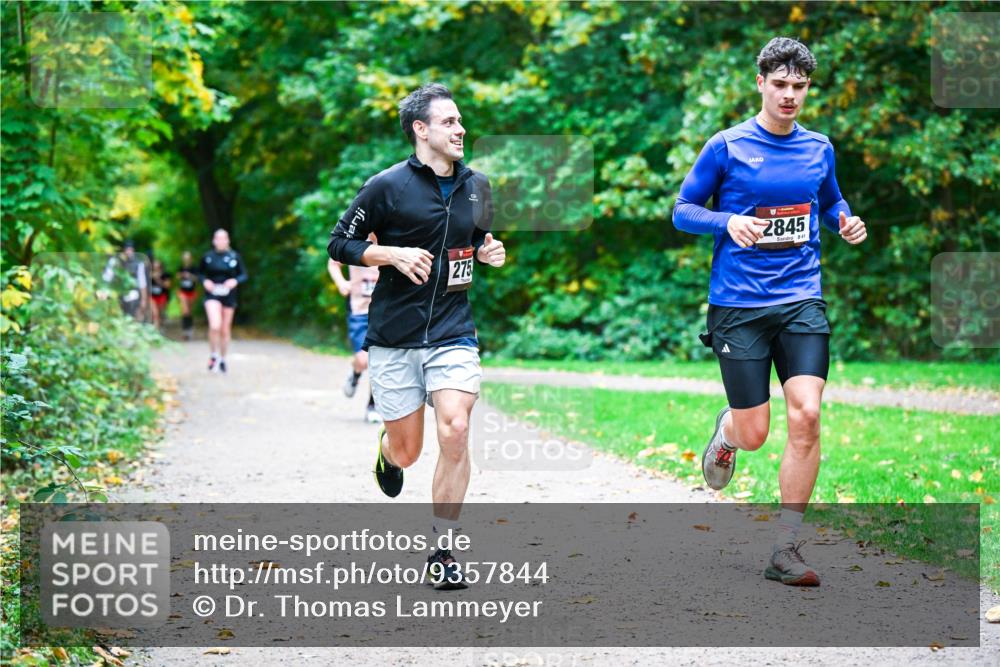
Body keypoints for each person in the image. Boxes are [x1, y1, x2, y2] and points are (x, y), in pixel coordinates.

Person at [672, 37, 867, 587]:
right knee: (756, 432)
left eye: (799, 87)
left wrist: (845, 221)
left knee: (806, 413)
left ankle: (786, 547)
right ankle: (729, 431)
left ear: (808, 88)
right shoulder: (727, 146)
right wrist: (726, 222)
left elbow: (828, 202)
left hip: (801, 297)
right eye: (779, 85)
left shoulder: (819, 148)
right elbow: (683, 211)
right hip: (738, 305)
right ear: (760, 83)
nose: (789, 96)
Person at [327, 83, 506, 590]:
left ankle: (442, 548)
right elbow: (339, 242)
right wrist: (392, 254)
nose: (460, 129)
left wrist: (490, 252)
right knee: (409, 452)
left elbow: (474, 243)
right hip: (394, 336)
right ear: (420, 130)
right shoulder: (386, 186)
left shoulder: (479, 187)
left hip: (453, 330)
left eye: (461, 121)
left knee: (455, 427)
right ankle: (389, 450)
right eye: (449, 122)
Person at [328, 232, 381, 424]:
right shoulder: (356, 244)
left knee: (378, 361)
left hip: (383, 312)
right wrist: (341, 282)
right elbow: (333, 262)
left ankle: (373, 405)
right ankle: (355, 373)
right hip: (359, 310)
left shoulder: (391, 242)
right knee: (362, 359)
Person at [198, 229, 248, 373]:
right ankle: (213, 354)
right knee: (215, 325)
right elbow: (200, 273)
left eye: (223, 238)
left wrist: (235, 281)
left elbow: (243, 274)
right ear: (214, 240)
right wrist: (205, 281)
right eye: (218, 238)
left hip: (228, 295)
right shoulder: (207, 257)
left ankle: (222, 358)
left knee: (225, 329)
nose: (220, 241)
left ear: (227, 240)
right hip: (212, 294)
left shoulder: (234, 256)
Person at [102, 239, 148, 322]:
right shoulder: (114, 261)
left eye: (131, 249)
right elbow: (107, 278)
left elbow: (142, 283)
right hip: (116, 295)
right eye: (127, 249)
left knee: (133, 318)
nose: (129, 252)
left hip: (133, 295)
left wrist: (144, 300)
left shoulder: (139, 264)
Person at [176, 251, 199, 340]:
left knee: (189, 311)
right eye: (185, 258)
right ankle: (185, 330)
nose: (186, 260)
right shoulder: (181, 268)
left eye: (188, 258)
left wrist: (190, 276)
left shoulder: (194, 268)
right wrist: (182, 275)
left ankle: (189, 329)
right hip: (183, 292)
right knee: (185, 310)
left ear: (190, 259)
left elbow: (197, 279)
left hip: (192, 292)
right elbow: (177, 277)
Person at [149, 259, 171, 332]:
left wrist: (158, 280)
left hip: (162, 296)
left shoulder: (165, 275)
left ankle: (160, 326)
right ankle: (155, 332)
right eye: (155, 264)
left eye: (158, 265)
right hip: (152, 297)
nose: (156, 266)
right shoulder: (148, 274)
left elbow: (167, 286)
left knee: (160, 313)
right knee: (155, 313)